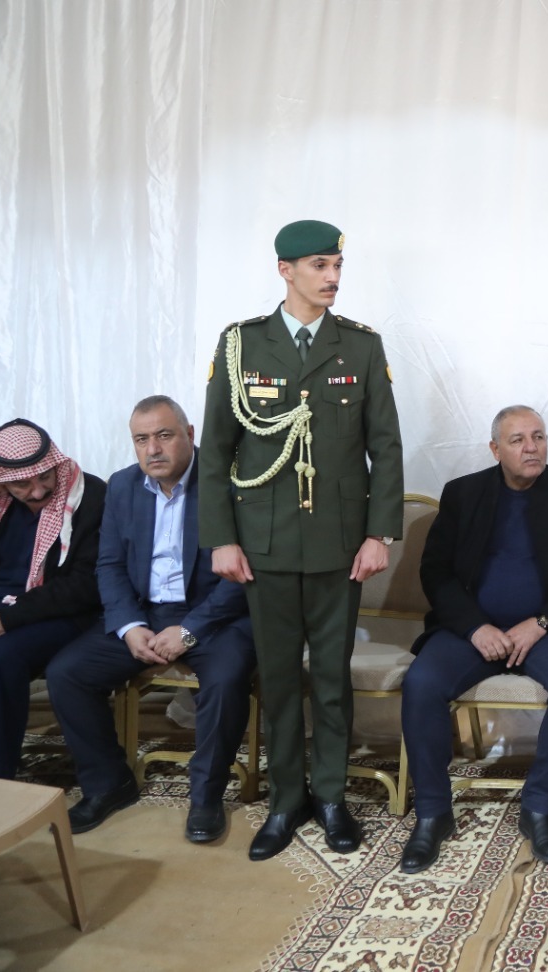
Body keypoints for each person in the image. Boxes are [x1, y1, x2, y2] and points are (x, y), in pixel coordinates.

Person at [198, 220, 404, 861]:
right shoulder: (241, 345)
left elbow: (385, 448)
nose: (333, 277)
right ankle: (287, 800)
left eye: (337, 265)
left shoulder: (360, 346)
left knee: (332, 678)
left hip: (340, 545)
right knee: (281, 678)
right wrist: (221, 539)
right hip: (264, 543)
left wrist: (379, 533)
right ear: (285, 270)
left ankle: (332, 797)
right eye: (319, 265)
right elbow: (217, 450)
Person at [46, 397, 255, 842]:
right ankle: (108, 784)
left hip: (215, 615)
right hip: (145, 613)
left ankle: (206, 796)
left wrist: (191, 630)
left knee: (227, 677)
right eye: (141, 439)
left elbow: (245, 572)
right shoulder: (123, 486)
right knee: (67, 673)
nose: (153, 449)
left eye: (164, 435)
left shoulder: (229, 480)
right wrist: (129, 626)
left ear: (190, 435)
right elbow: (110, 565)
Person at [399, 406, 548, 873]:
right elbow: (436, 572)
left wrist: (542, 622)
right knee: (421, 683)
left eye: (538, 437)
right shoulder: (463, 493)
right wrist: (474, 627)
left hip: (545, 631)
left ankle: (540, 806)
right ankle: (432, 813)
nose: (531, 448)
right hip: (473, 631)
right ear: (495, 449)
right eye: (518, 440)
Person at [0, 419, 106, 779]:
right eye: (22, 484)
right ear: (1, 480)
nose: (37, 492)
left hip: (60, 614)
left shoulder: (90, 496)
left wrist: (6, 619)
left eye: (44, 477)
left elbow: (86, 584)